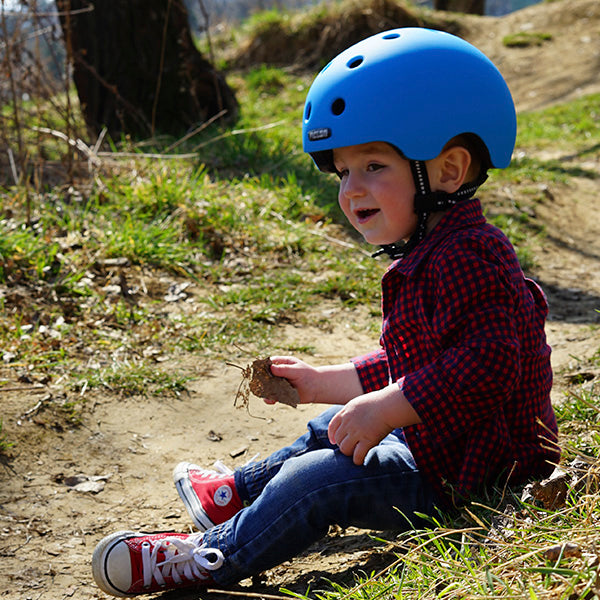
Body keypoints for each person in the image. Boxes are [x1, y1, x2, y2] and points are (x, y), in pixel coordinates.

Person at [91, 27, 560, 596]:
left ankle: (208, 557)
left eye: (373, 166)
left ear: (448, 170)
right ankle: (235, 494)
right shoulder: (431, 252)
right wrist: (321, 383)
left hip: (474, 471)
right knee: (327, 428)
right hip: (442, 442)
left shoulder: (472, 255)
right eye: (342, 172)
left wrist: (387, 408)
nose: (350, 189)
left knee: (315, 481)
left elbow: (487, 365)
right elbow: (407, 361)